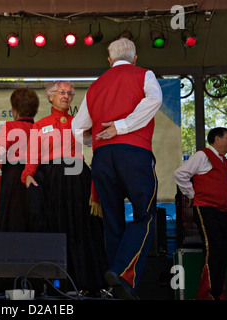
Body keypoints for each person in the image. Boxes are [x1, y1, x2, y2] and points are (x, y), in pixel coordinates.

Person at [72, 37, 163, 299]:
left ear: (109, 60)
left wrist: (96, 137)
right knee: (144, 216)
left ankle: (115, 286)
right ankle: (123, 274)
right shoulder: (144, 74)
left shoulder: (96, 86)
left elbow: (77, 128)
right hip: (134, 153)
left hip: (102, 158)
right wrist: (121, 127)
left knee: (112, 222)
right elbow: (154, 101)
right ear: (135, 58)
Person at [22, 81, 108, 294]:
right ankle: (55, 283)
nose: (66, 96)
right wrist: (28, 175)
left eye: (70, 93)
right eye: (62, 92)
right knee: (56, 226)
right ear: (50, 96)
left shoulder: (79, 123)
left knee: (80, 227)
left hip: (77, 176)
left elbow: (92, 141)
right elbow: (33, 156)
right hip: (52, 180)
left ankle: (85, 283)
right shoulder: (40, 125)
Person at [173, 127, 227, 300]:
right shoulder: (203, 155)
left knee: (223, 252)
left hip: (223, 211)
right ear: (217, 139)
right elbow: (180, 174)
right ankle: (208, 295)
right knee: (213, 250)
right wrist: (192, 195)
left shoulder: (224, 162)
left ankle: (218, 294)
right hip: (207, 208)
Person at [0, 87, 39, 232]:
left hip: (14, 178)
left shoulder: (11, 127)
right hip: (36, 178)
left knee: (13, 220)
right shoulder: (39, 128)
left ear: (15, 109)